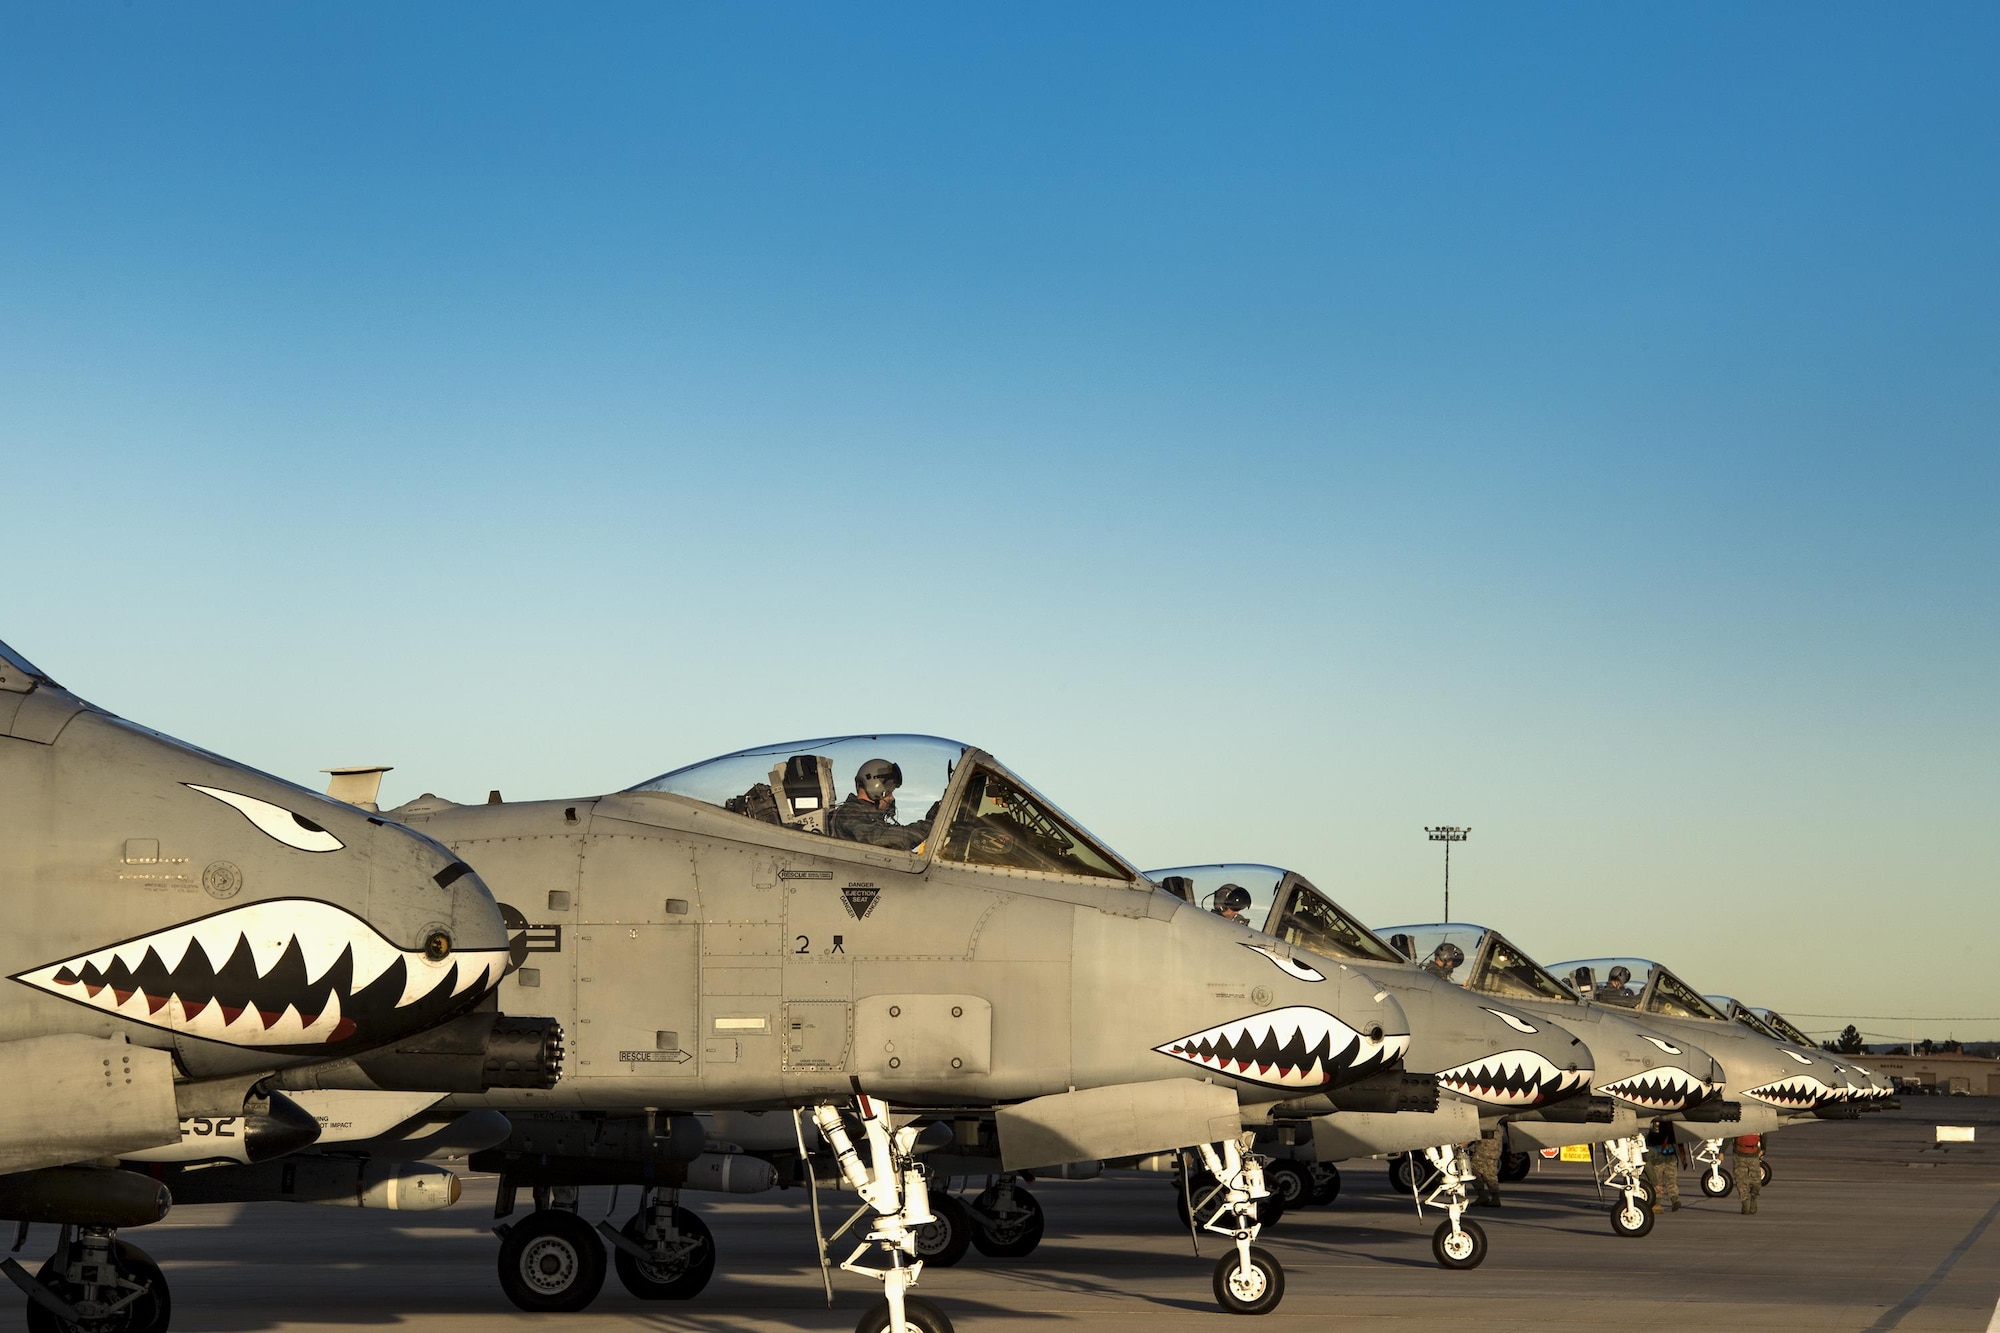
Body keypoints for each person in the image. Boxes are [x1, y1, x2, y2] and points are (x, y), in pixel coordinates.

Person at [828, 758, 932, 850]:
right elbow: (884, 839)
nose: (892, 798)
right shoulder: (848, 815)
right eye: (889, 792)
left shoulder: (869, 817)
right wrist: (931, 824)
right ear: (876, 790)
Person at [1643, 1123, 1681, 1213]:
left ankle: (1673, 1200)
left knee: (1670, 1181)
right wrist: (1654, 1182)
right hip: (1659, 1161)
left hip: (1669, 1159)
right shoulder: (1650, 1146)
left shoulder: (1670, 1134)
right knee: (1660, 1183)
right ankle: (1658, 1203)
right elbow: (1647, 1164)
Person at [1469, 1130, 1502, 1207]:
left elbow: (1486, 1129)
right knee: (1474, 1169)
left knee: (1488, 1171)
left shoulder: (1491, 1121)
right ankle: (1484, 1196)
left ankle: (1492, 1197)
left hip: (1489, 1145)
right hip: (1485, 1144)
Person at [1732, 1133, 1763, 1215]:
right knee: (1741, 1182)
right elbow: (1730, 1135)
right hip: (1739, 1156)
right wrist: (1722, 1152)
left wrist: (1763, 1149)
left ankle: (1753, 1198)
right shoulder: (1738, 1124)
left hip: (1753, 1156)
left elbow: (1764, 1136)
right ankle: (1745, 1205)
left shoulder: (1758, 1125)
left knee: (1756, 1181)